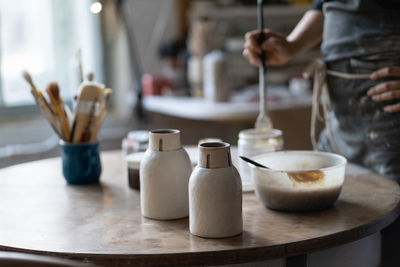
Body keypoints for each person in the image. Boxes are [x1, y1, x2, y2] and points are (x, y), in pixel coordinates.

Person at [243, 1, 400, 265]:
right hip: (339, 126)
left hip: (392, 128)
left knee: (390, 241)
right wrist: (292, 45)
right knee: (331, 237)